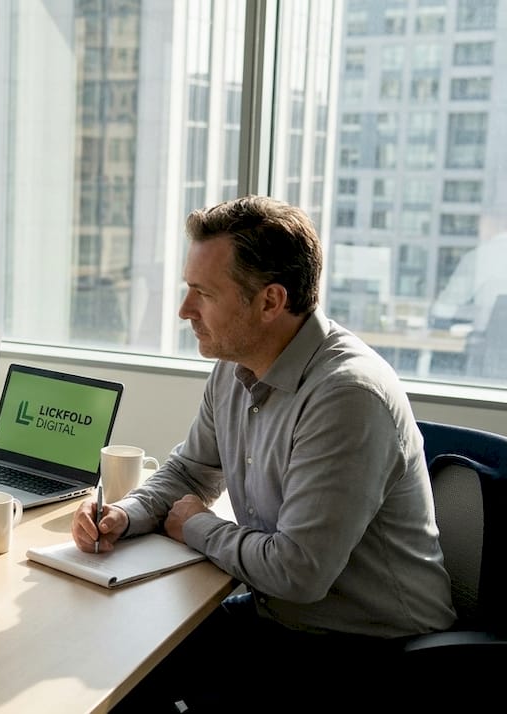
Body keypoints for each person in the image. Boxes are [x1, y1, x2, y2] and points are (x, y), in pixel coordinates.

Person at [71, 196, 455, 711]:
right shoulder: (234, 364)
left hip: (371, 654)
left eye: (202, 293)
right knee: (116, 664)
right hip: (282, 622)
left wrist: (194, 526)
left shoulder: (347, 396)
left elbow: (297, 574)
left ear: (271, 302)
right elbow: (190, 469)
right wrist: (127, 512)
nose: (185, 310)